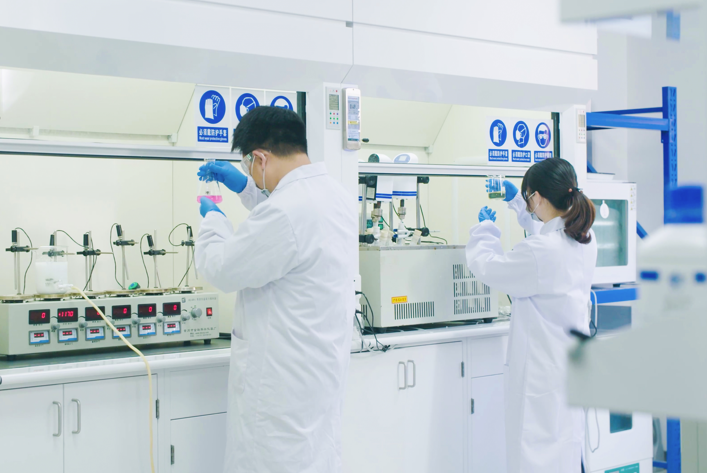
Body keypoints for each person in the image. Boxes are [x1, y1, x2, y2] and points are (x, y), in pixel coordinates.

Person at [194, 106, 357, 473]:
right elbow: (288, 228)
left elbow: (221, 268)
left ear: (261, 158)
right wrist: (246, 188)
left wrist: (214, 220)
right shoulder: (336, 196)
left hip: (278, 391)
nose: (251, 173)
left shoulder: (285, 212)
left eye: (249, 165)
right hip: (316, 376)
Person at [467, 158, 597, 473]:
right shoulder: (586, 239)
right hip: (570, 370)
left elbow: (488, 267)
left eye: (529, 198)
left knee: (536, 456)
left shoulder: (541, 251)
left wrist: (485, 231)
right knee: (564, 452)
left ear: (538, 197)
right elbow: (547, 231)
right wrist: (518, 201)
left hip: (541, 376)